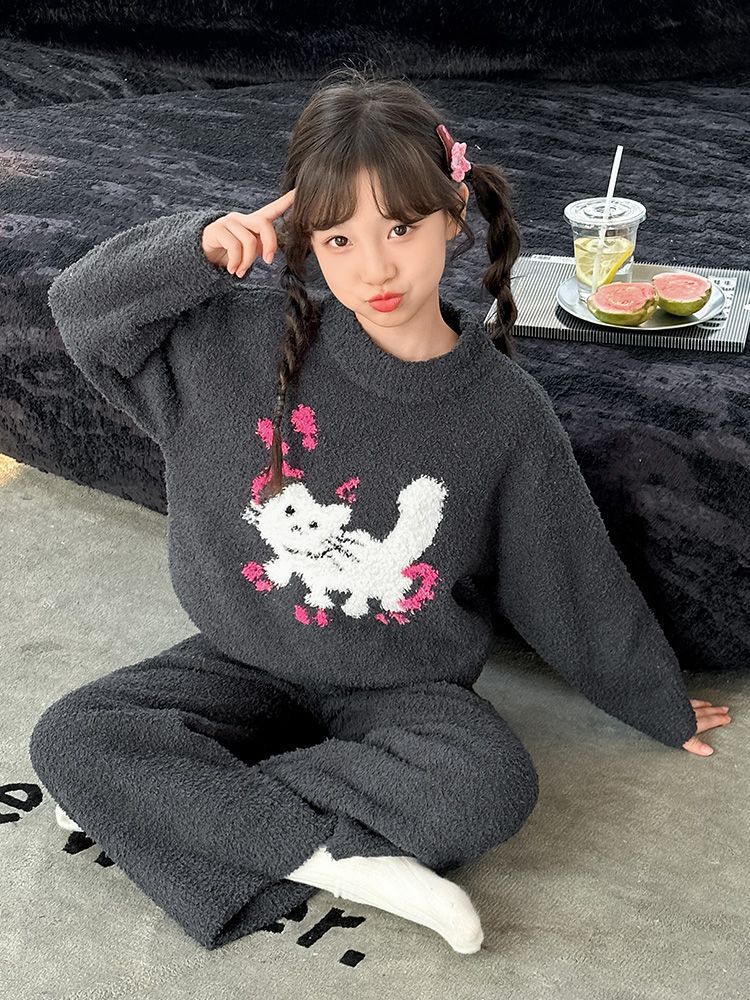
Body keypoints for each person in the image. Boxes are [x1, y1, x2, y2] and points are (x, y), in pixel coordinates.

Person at [29, 66, 731, 956]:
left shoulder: (503, 413)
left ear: (453, 215)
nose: (376, 267)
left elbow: (568, 573)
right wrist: (195, 248)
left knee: (489, 785)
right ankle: (338, 856)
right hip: (240, 659)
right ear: (306, 241)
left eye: (400, 227)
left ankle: (166, 806)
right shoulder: (233, 346)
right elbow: (81, 310)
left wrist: (657, 700)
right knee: (73, 735)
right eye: (339, 239)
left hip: (404, 692)